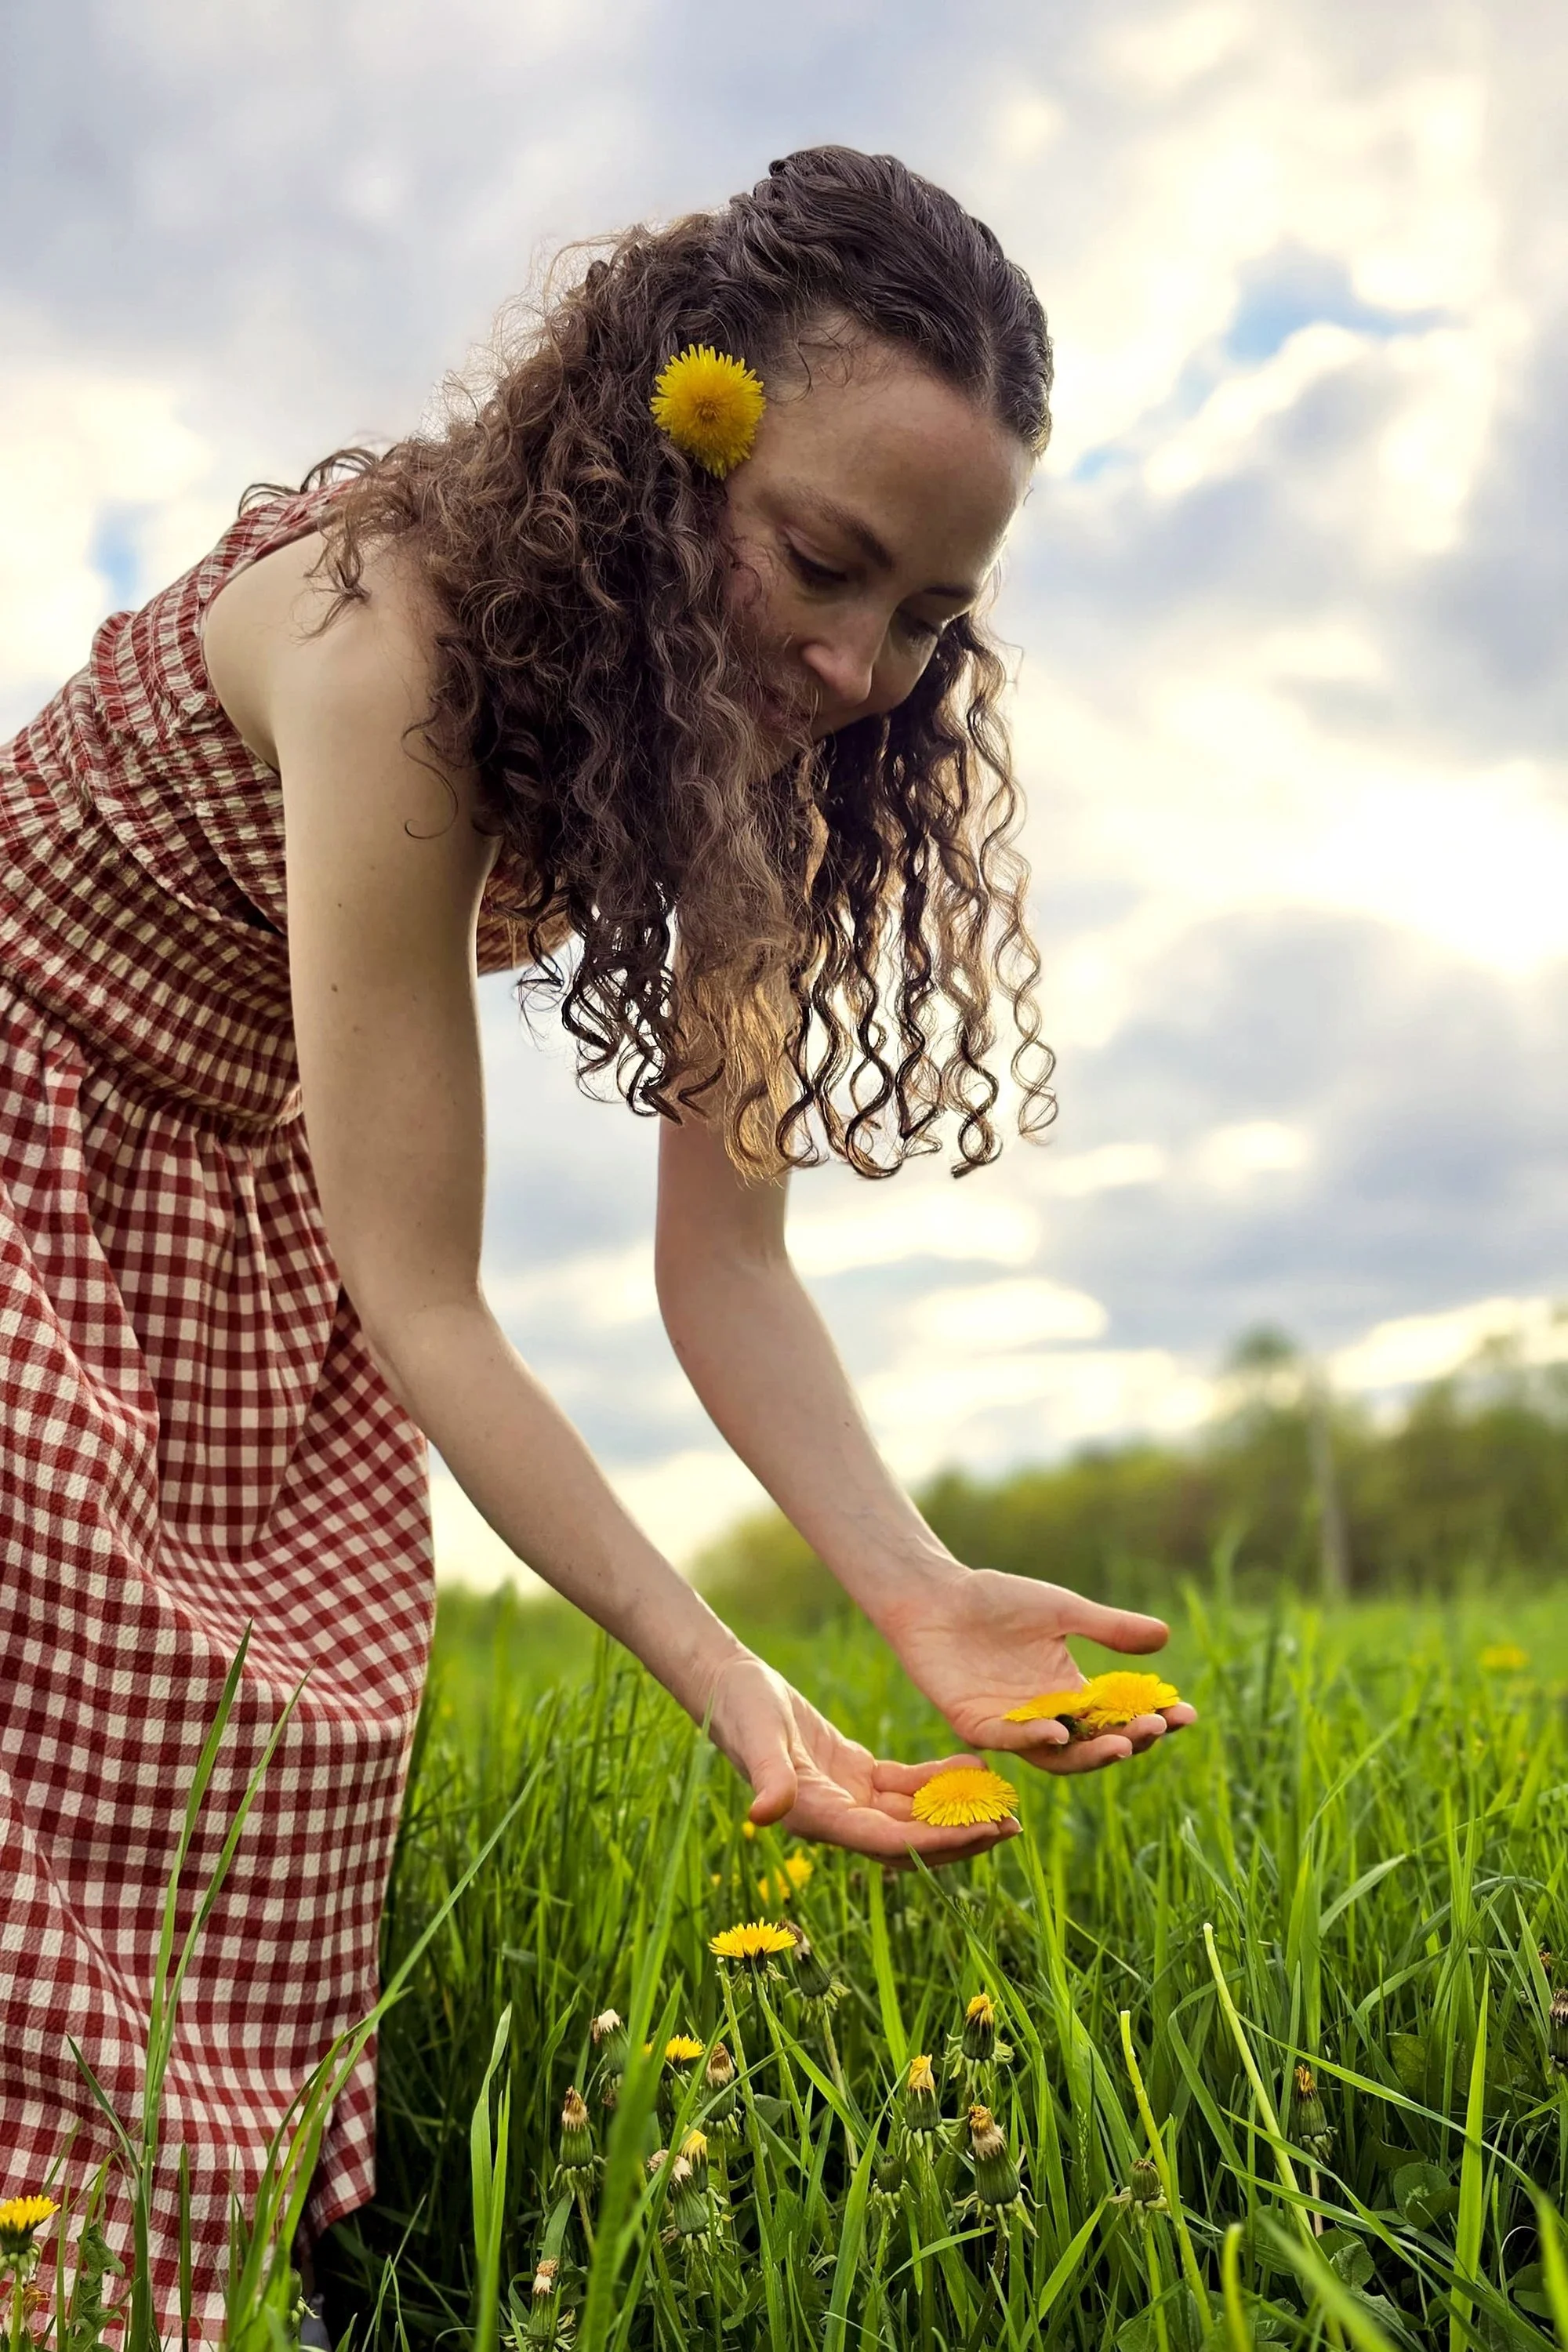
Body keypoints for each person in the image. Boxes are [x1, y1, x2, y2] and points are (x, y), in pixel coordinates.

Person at [0, 147, 1193, 2331]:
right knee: (39, 1880)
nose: (859, 664)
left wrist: (907, 1584)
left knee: (263, 1799)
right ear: (674, 444)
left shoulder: (756, 753)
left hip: (240, 1224)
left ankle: (175, 2294)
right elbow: (432, 1292)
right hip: (25, 1145)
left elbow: (725, 1265)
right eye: (827, 562)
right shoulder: (387, 634)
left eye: (927, 614)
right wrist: (734, 1692)